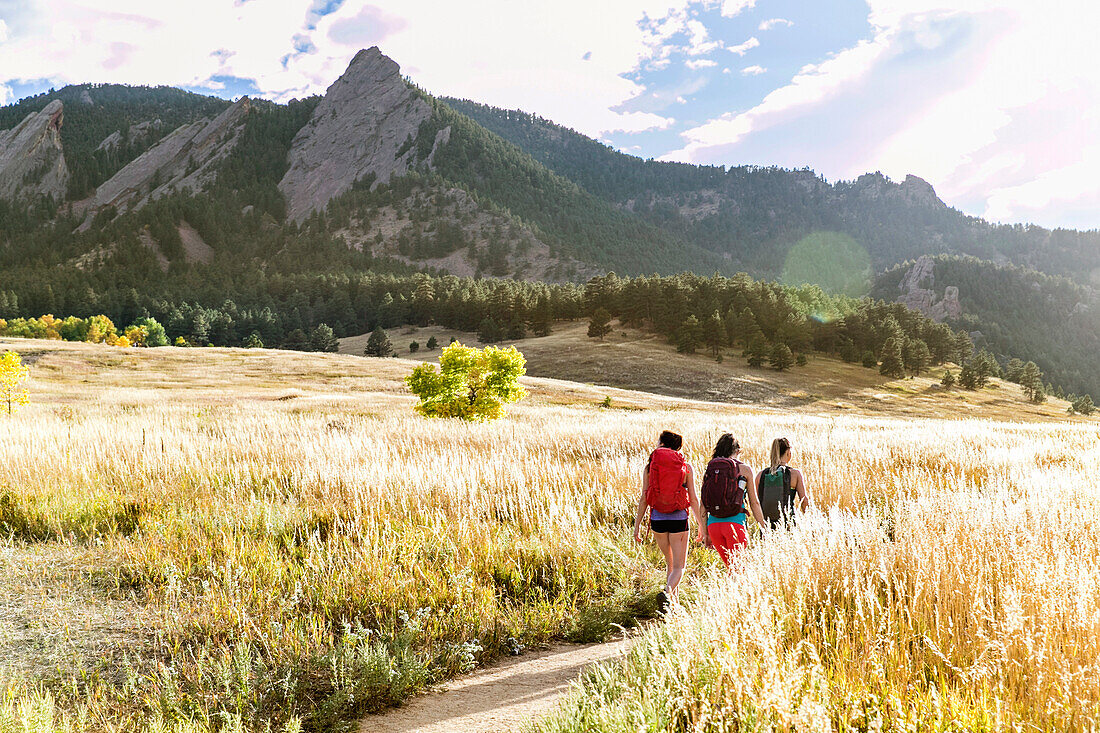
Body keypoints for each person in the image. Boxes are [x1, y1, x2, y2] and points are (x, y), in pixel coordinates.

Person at [632, 430, 704, 611]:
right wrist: (701, 524)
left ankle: (672, 607)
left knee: (670, 565)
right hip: (679, 520)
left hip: (657, 520)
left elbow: (643, 499)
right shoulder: (685, 467)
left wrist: (637, 526)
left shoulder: (650, 467)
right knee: (680, 567)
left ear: (662, 444)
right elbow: (694, 499)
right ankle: (667, 593)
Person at [699, 433, 765, 570]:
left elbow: (703, 504)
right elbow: (754, 503)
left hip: (713, 526)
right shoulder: (745, 469)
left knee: (732, 569)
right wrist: (763, 527)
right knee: (738, 571)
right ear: (737, 451)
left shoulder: (711, 469)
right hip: (735, 525)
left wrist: (705, 533)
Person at [756, 437, 811, 529]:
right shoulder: (795, 474)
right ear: (788, 453)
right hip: (788, 524)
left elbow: (756, 502)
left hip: (766, 525)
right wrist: (809, 520)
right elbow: (804, 500)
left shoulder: (760, 475)